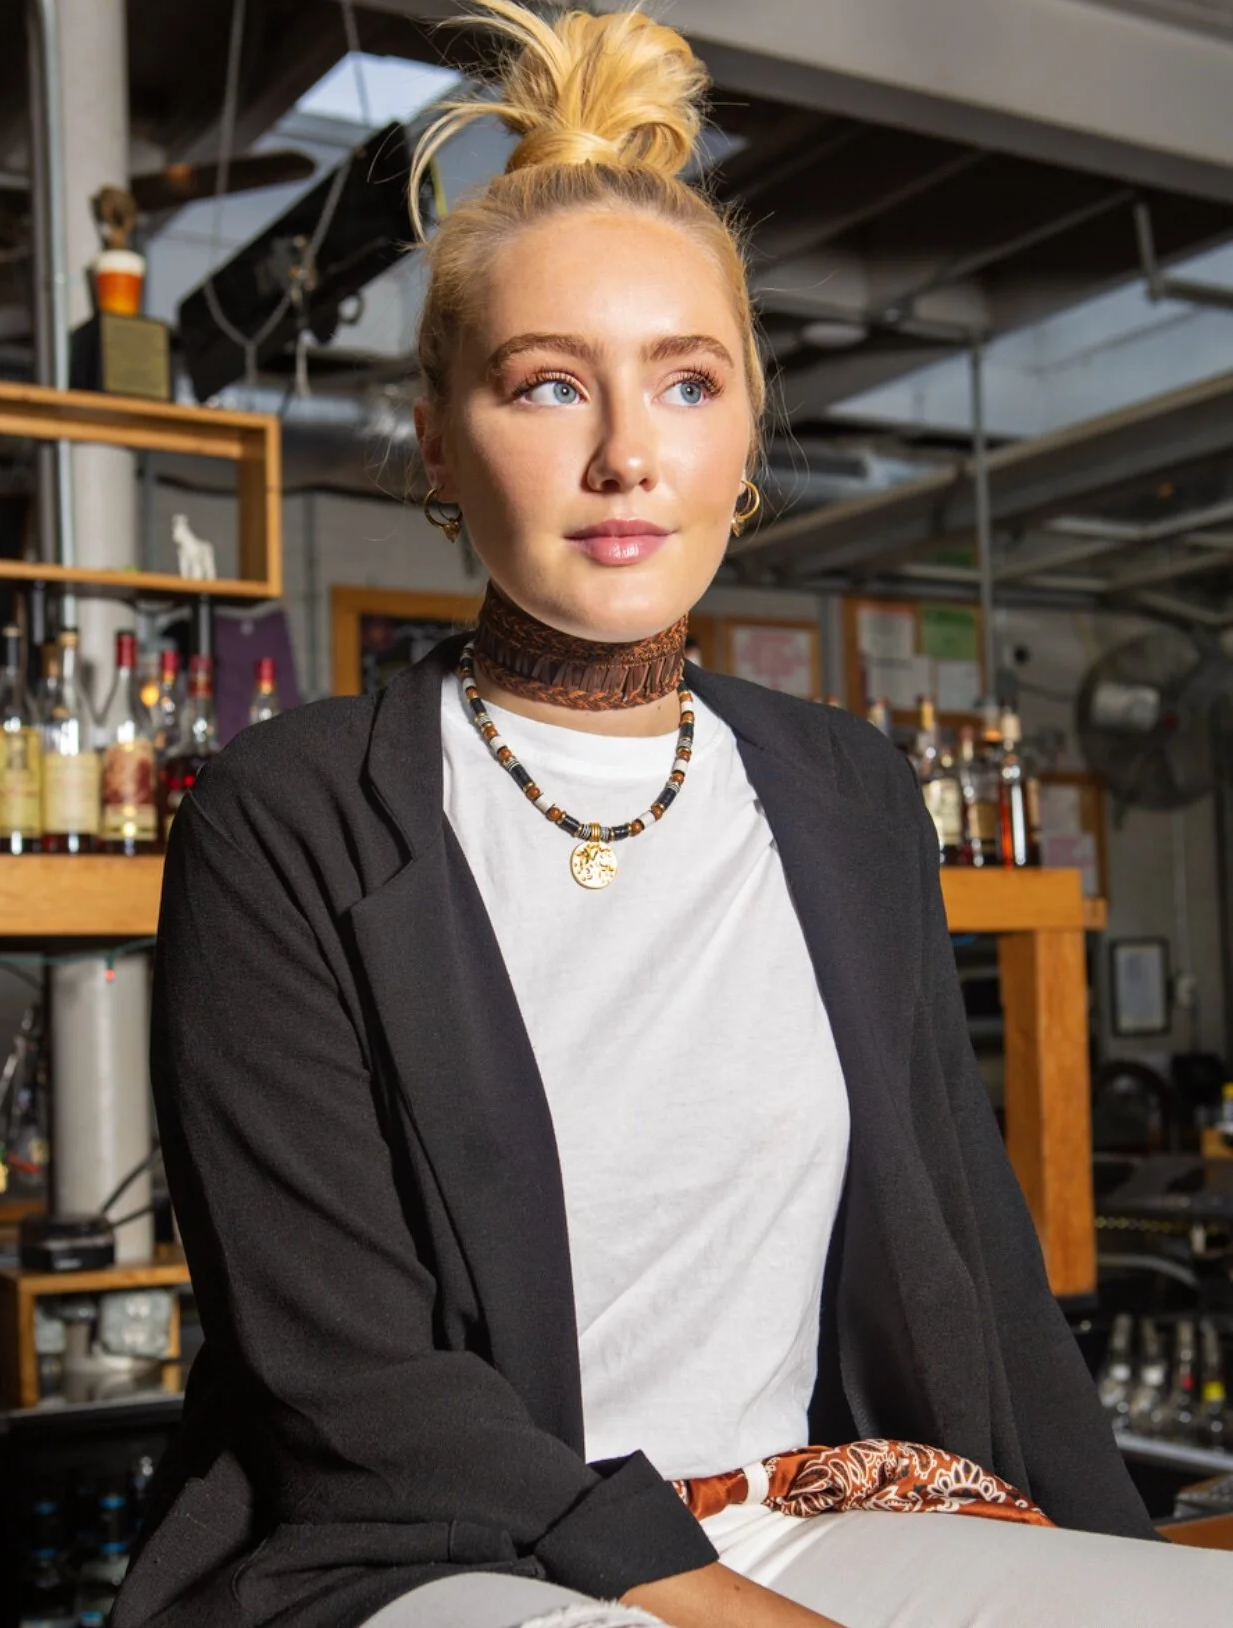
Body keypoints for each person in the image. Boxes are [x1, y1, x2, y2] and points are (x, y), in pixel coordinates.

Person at [112, 5, 1233, 1627]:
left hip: (808, 1495)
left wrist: (1114, 1553)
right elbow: (342, 1371)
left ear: (745, 435)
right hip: (437, 1544)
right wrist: (700, 1598)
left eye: (686, 383)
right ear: (437, 438)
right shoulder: (286, 816)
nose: (628, 453)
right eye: (548, 386)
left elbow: (971, 1242)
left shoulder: (848, 796)